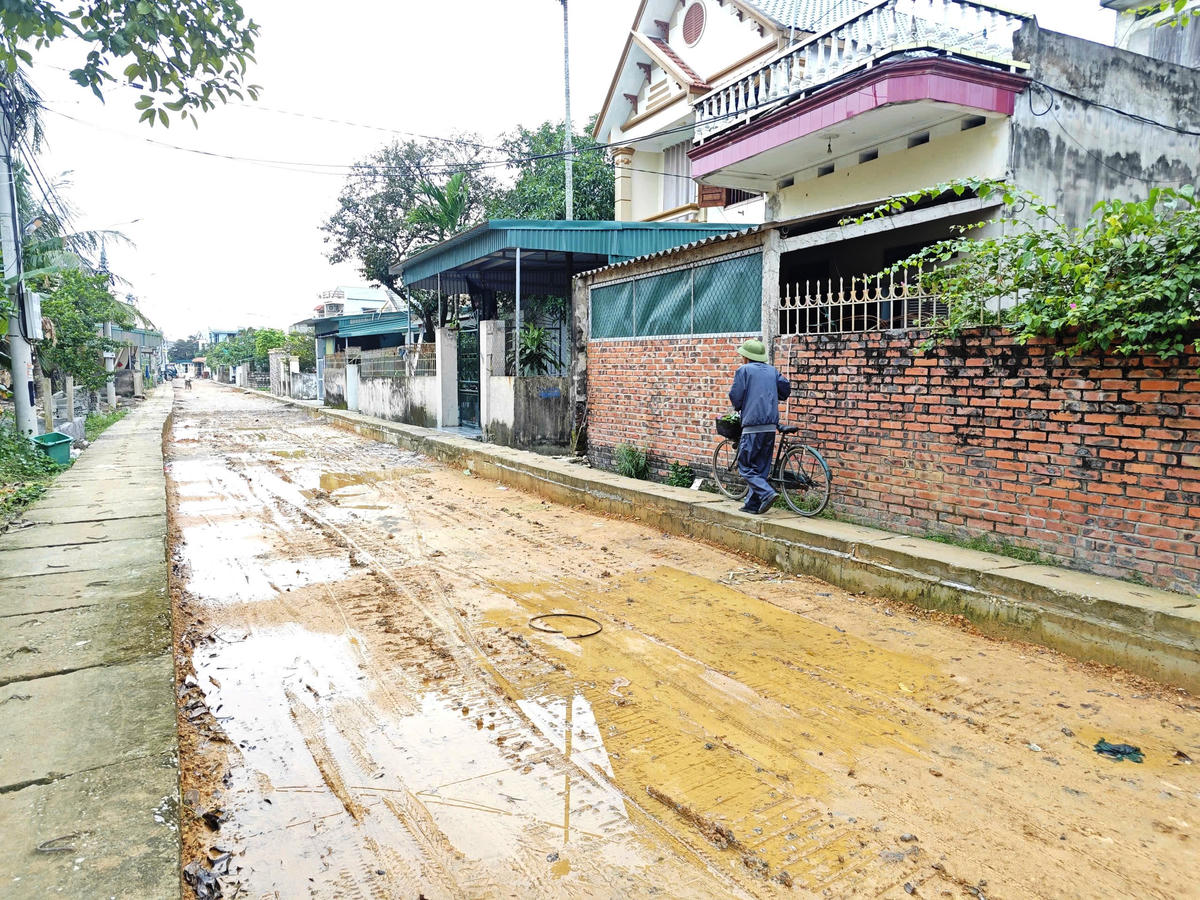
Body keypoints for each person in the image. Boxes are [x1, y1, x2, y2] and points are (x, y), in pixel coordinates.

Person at [728, 338, 791, 514]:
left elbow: (736, 395)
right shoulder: (772, 371)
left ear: (746, 357)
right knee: (761, 468)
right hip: (771, 426)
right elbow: (785, 389)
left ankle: (767, 492)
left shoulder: (744, 370)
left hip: (753, 425)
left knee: (746, 466)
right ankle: (752, 505)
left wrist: (740, 406)